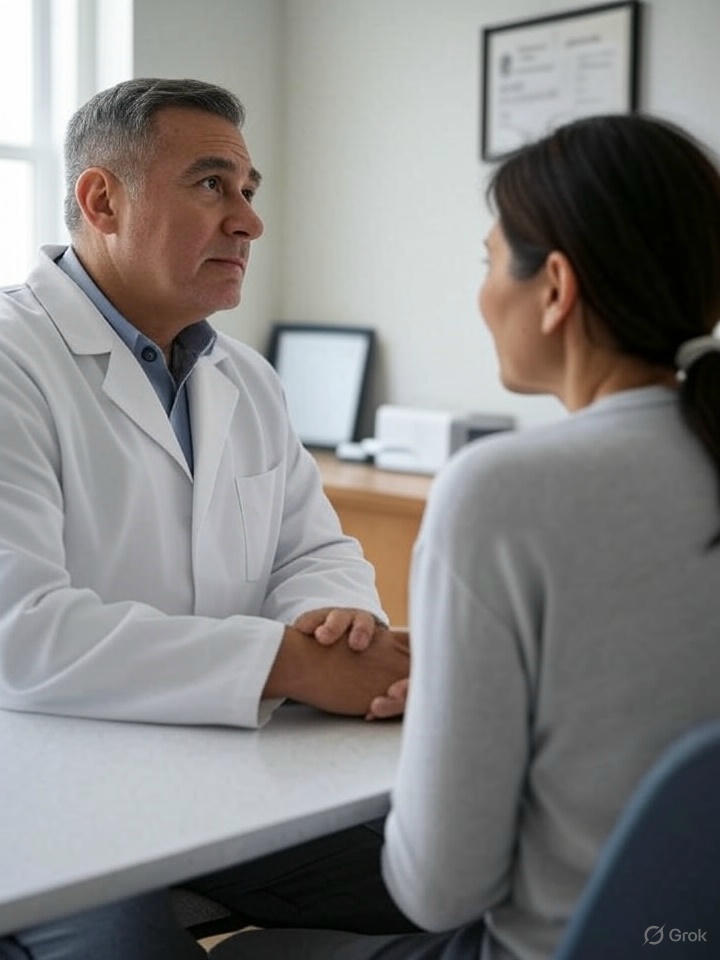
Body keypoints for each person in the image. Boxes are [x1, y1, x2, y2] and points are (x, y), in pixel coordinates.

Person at [213, 113, 720, 959]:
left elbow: (439, 885)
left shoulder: (503, 492)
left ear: (554, 288)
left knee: (249, 950)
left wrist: (457, 707)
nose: (483, 292)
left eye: (489, 261)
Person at [0, 78, 410, 959]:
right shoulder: (11, 362)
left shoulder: (244, 376)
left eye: (250, 191)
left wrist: (332, 625)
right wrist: (286, 662)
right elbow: (21, 634)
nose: (249, 221)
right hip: (43, 796)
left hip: (226, 771)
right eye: (212, 184)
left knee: (443, 883)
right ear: (101, 199)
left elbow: (314, 546)